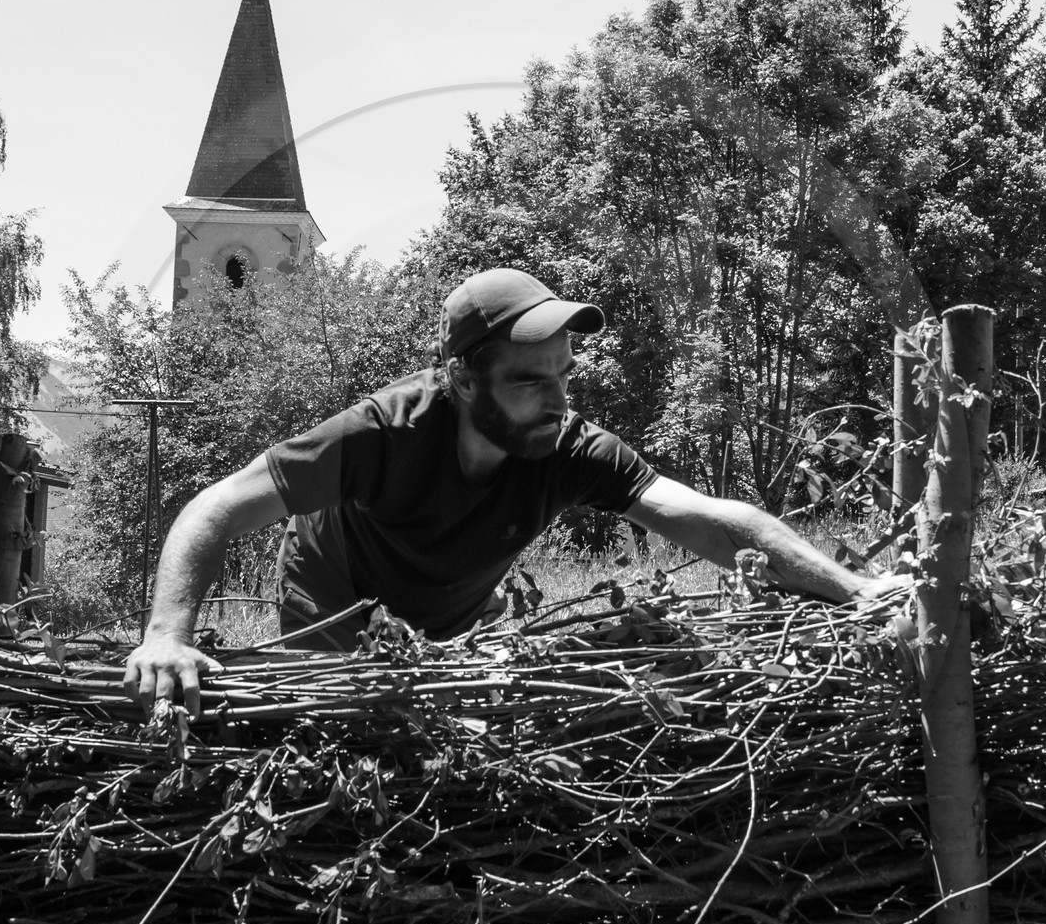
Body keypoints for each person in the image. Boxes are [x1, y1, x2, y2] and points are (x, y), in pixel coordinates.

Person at [124, 268, 892, 713]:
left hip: (452, 617)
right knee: (342, 734)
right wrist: (166, 636)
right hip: (335, 614)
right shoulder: (379, 434)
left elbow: (716, 522)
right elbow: (215, 507)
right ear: (462, 377)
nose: (556, 399)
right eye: (530, 382)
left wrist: (857, 593)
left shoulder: (567, 445)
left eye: (564, 375)